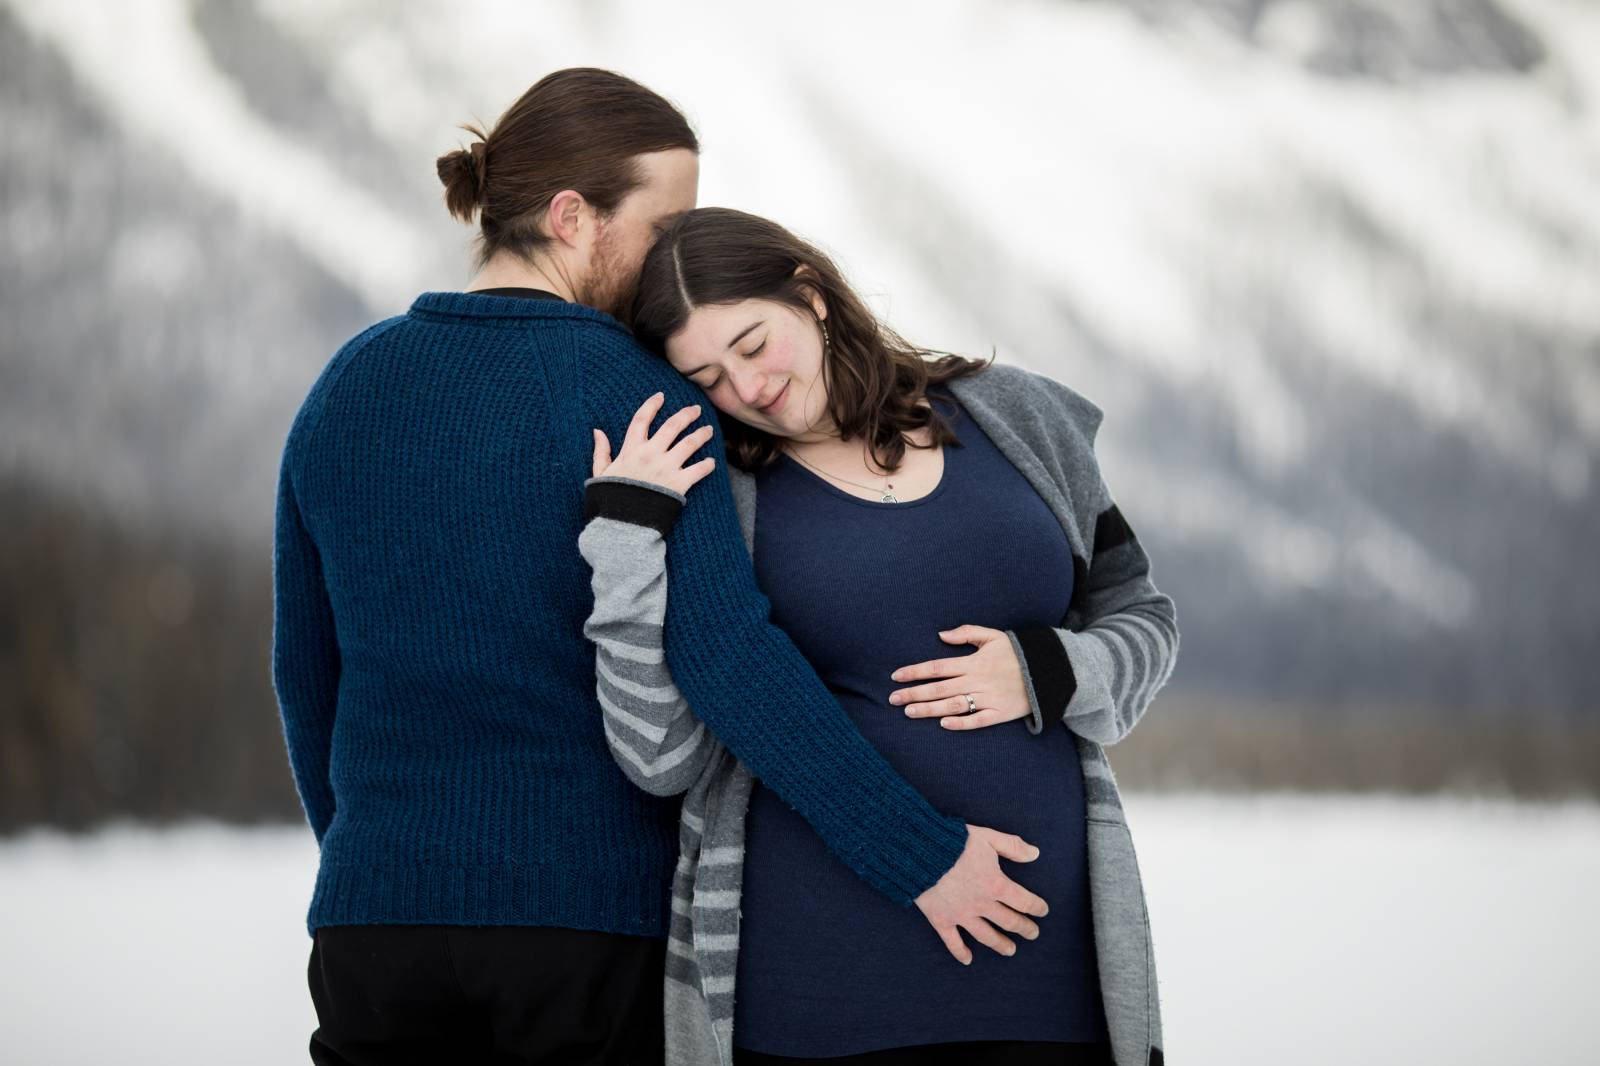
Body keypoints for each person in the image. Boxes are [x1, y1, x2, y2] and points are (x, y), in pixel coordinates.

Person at [271, 69, 1044, 1066]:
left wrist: (371, 864)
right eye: (661, 221)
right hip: (581, 924)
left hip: (372, 930)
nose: (673, 253)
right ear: (571, 218)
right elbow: (734, 665)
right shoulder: (641, 397)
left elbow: (306, 677)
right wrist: (919, 853)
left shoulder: (345, 386)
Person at [577, 208, 1179, 1066]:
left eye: (753, 344)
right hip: (823, 978)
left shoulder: (1017, 420)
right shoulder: (725, 492)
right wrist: (626, 543)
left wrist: (1049, 667)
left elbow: (1143, 615)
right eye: (707, 376)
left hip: (1053, 972)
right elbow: (665, 749)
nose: (745, 390)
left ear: (811, 296)